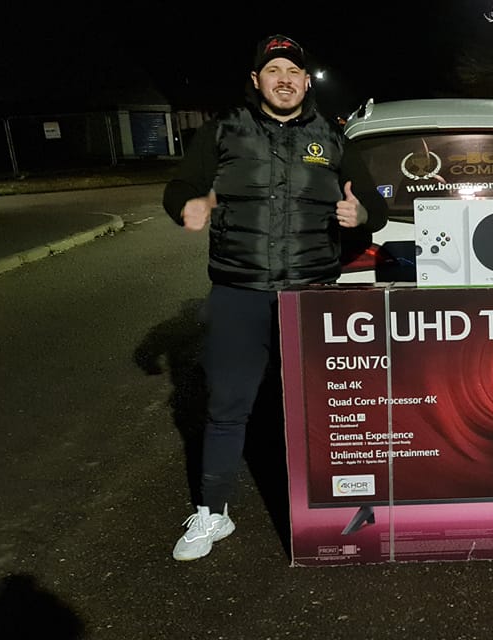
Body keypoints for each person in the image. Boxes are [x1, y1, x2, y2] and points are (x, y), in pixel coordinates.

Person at [162, 34, 386, 561]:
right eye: (273, 70)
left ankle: (332, 508)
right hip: (238, 291)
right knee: (227, 404)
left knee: (321, 407)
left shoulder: (332, 139)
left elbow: (373, 206)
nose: (284, 80)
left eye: (292, 72)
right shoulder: (222, 131)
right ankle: (213, 512)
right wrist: (186, 205)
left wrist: (361, 215)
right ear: (256, 80)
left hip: (312, 295)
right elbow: (180, 187)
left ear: (306, 82)